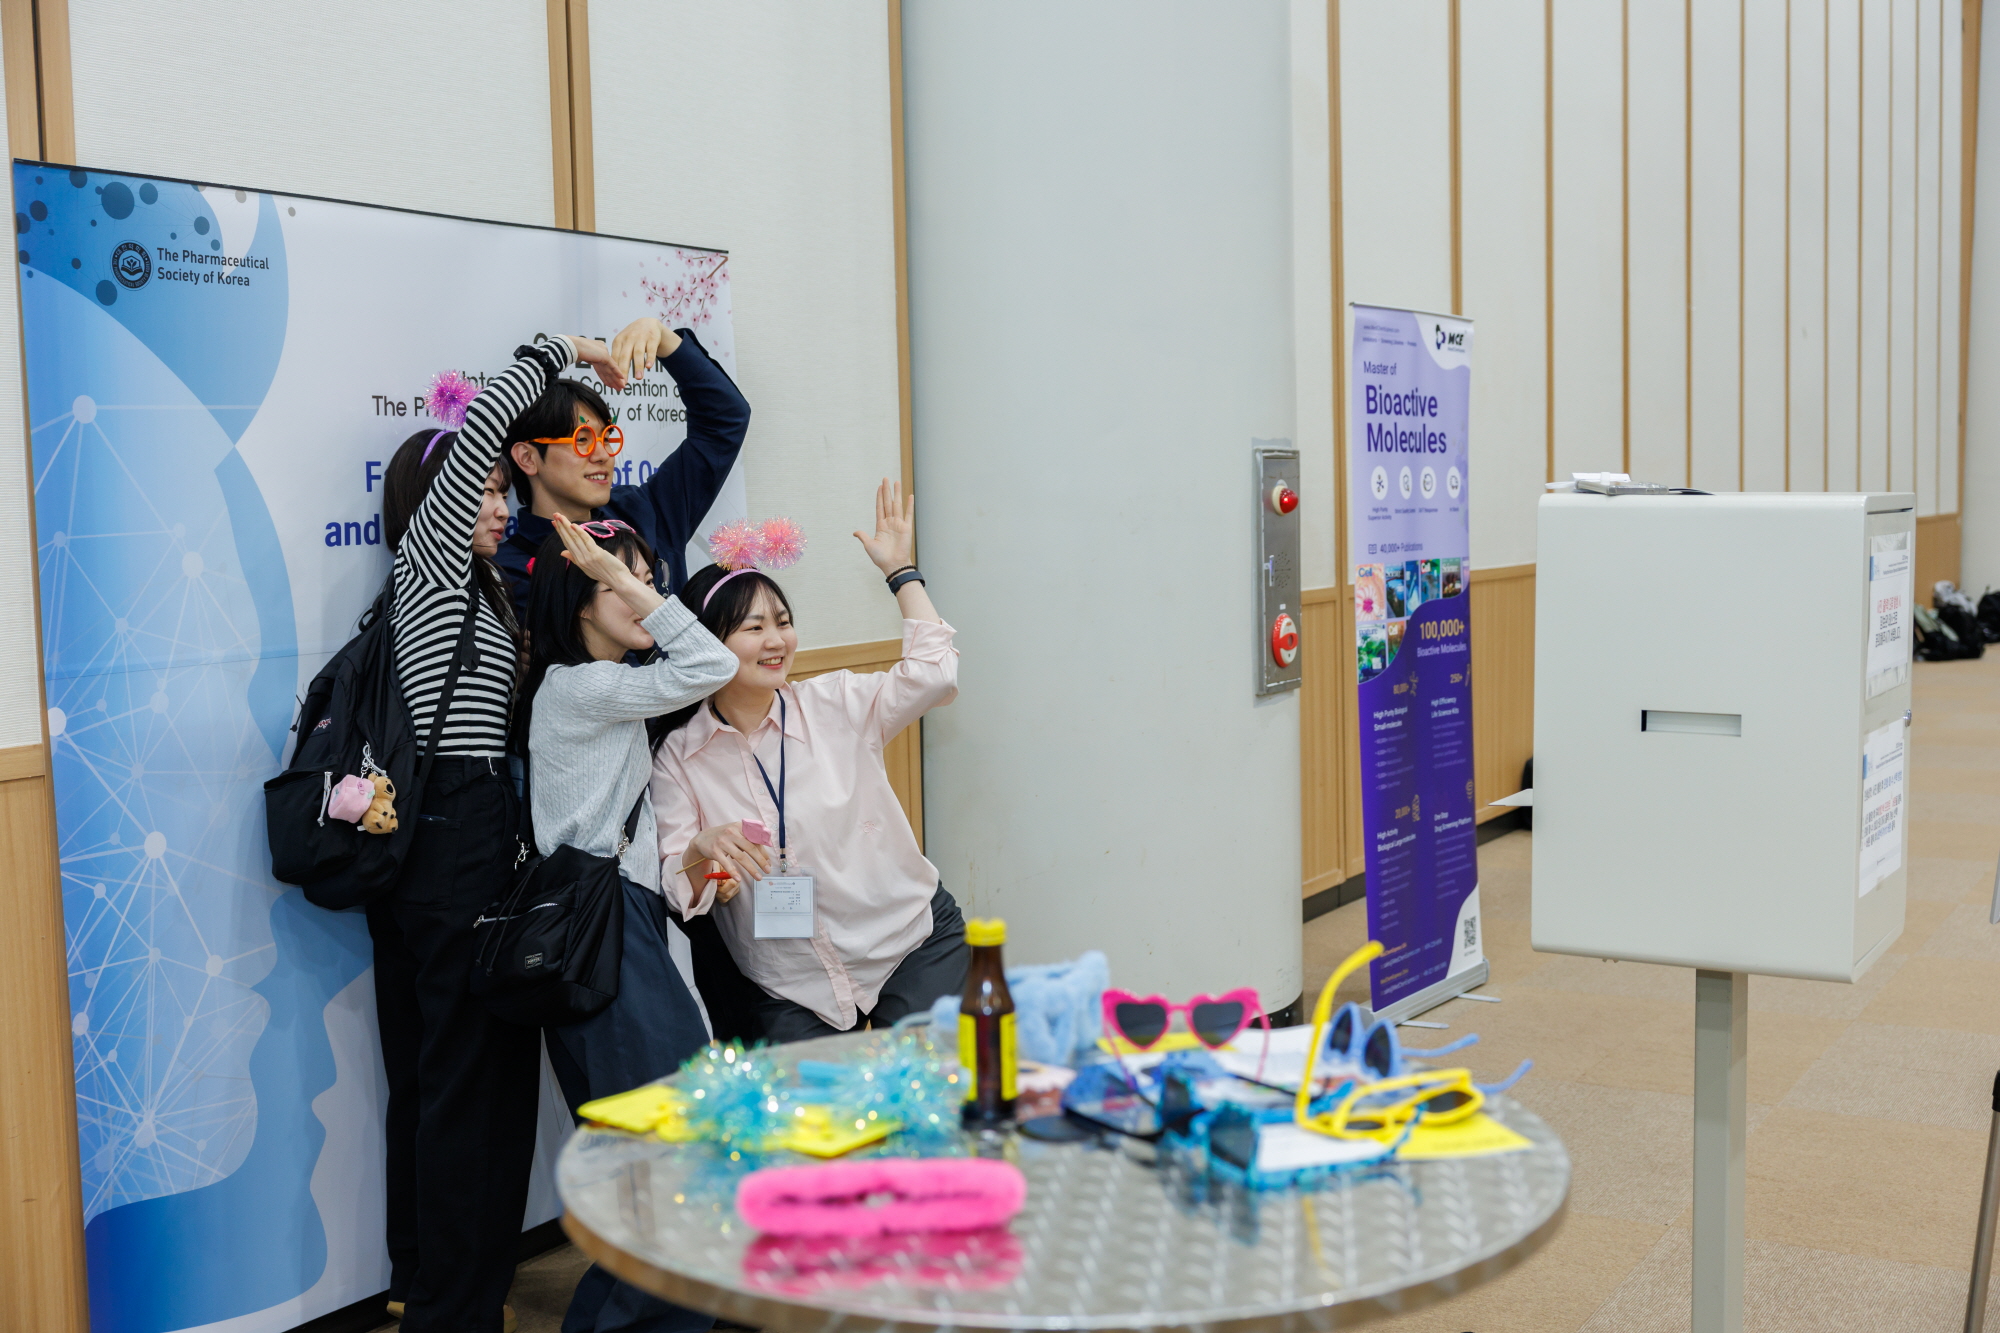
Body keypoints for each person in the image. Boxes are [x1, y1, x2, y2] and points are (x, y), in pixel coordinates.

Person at [372, 333, 627, 1333]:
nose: (497, 505)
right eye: (480, 490)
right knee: (468, 1089)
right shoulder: (434, 568)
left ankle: (436, 1289)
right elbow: (486, 420)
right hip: (455, 833)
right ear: (435, 507)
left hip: (449, 833)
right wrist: (564, 350)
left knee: (443, 1080)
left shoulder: (472, 589)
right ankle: (455, 1309)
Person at [651, 480, 969, 1042]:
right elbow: (678, 882)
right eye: (754, 628)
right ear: (705, 645)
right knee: (817, 1101)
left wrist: (901, 574)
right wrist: (702, 852)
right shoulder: (680, 755)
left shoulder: (834, 702)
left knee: (932, 1088)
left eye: (783, 621)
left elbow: (935, 676)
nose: (777, 640)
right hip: (789, 984)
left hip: (909, 943)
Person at [519, 514, 736, 1333]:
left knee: (650, 1158)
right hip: (608, 933)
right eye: (619, 581)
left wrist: (625, 580)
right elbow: (712, 662)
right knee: (671, 1152)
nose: (644, 595)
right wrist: (628, 579)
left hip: (614, 930)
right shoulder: (583, 688)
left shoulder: (597, 687)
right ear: (580, 600)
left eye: (648, 578)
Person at [496, 317, 749, 619]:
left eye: (606, 438)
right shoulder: (507, 573)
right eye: (582, 440)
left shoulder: (643, 513)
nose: (603, 454)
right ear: (527, 458)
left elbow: (724, 421)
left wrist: (664, 338)